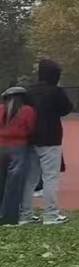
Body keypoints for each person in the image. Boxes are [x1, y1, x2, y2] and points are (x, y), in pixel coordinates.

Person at [21, 59, 73, 225]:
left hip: (31, 138)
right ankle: (51, 214)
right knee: (50, 177)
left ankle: (25, 214)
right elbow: (67, 109)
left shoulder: (29, 92)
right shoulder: (56, 91)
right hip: (51, 138)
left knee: (30, 179)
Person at [0, 86, 36, 225]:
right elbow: (30, 128)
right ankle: (9, 216)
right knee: (14, 184)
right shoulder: (27, 110)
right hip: (19, 147)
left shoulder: (1, 109)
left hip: (1, 145)